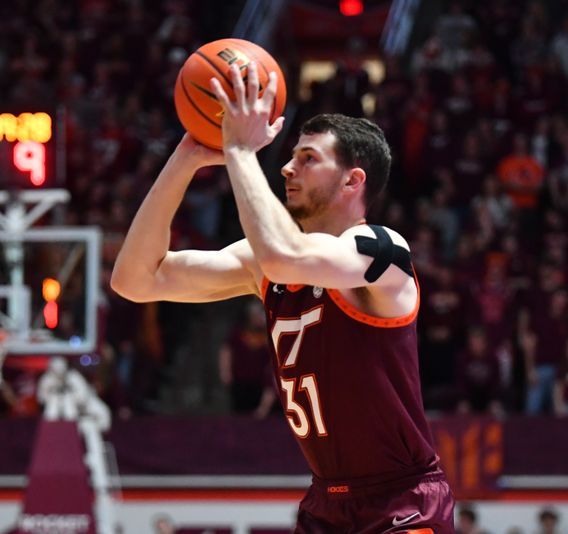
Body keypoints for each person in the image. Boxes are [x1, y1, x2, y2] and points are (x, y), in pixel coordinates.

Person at [112, 62, 455, 532]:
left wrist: (238, 148)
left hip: (402, 497)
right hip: (326, 503)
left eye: (309, 158)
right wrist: (186, 159)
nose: (288, 167)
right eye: (292, 156)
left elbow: (284, 255)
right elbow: (135, 279)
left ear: (353, 181)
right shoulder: (265, 262)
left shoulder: (383, 251)